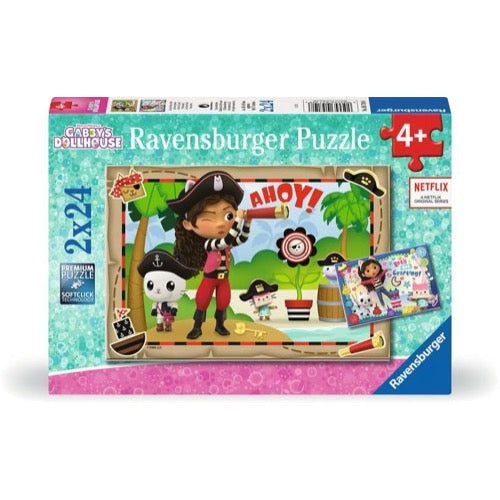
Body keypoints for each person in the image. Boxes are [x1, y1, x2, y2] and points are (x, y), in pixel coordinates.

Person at [167, 171, 251, 339]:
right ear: (188, 224)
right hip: (210, 278)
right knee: (202, 301)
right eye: (208, 218)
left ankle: (220, 325)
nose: (220, 224)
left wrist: (247, 223)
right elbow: (227, 240)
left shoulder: (226, 241)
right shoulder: (210, 243)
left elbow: (241, 239)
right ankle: (197, 327)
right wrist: (236, 221)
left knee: (223, 301)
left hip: (224, 278)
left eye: (227, 215)